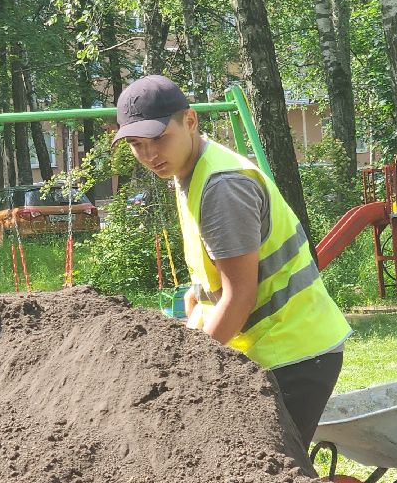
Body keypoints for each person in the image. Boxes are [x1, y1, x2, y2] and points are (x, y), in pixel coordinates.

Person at [114, 75, 350, 449]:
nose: (149, 154)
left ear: (190, 121)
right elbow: (212, 279)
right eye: (136, 145)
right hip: (268, 351)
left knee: (264, 473)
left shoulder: (222, 186)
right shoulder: (188, 171)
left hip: (292, 355)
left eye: (159, 139)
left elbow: (239, 295)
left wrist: (189, 371)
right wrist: (194, 308)